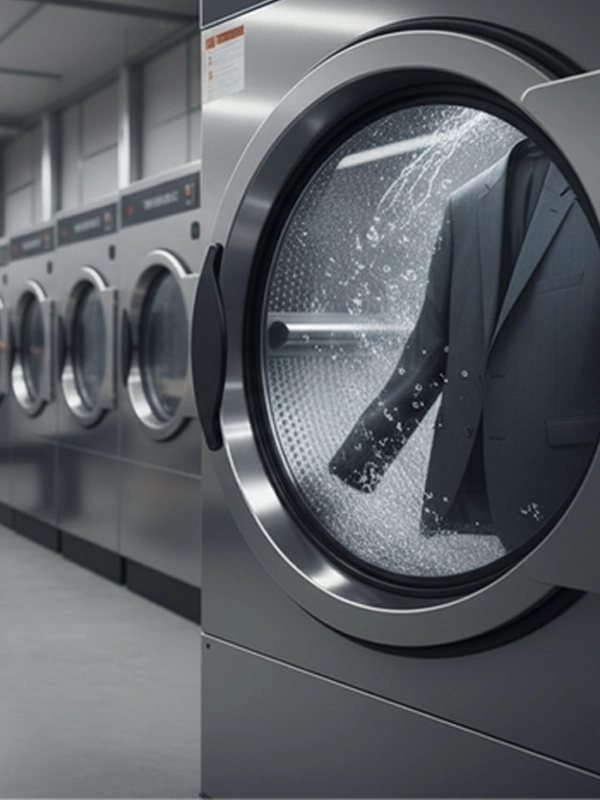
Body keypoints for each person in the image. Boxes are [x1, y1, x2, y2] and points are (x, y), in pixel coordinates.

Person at [329, 138, 600, 551]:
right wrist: (360, 460)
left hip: (570, 470)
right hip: (474, 465)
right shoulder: (464, 204)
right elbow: (432, 345)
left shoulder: (590, 190)